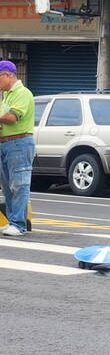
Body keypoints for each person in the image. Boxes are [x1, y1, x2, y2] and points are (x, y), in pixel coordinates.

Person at [0, 60, 35, 236]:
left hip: (19, 143)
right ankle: (13, 221)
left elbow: (12, 117)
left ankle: (19, 224)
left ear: (8, 75)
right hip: (5, 143)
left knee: (19, 184)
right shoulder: (6, 95)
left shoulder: (22, 93)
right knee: (7, 186)